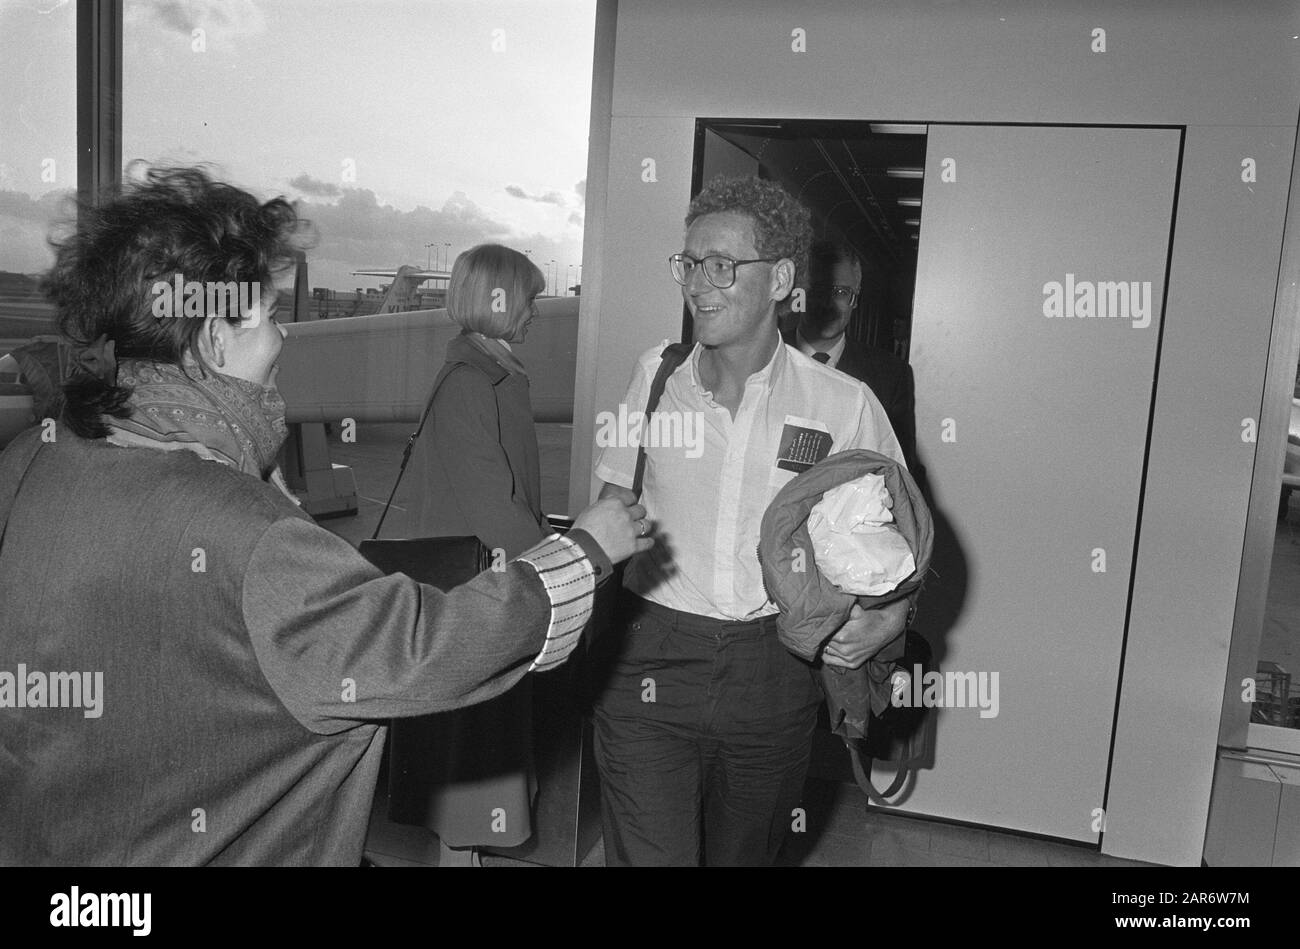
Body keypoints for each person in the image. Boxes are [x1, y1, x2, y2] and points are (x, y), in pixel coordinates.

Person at [0, 166, 651, 866]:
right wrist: (582, 553)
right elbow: (425, 649)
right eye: (271, 316)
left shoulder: (31, 464)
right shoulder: (248, 532)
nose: (283, 339)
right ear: (214, 338)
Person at [590, 175, 912, 866]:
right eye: (690, 263)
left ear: (781, 280)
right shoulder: (654, 379)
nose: (699, 284)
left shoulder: (842, 405)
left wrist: (889, 619)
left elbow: (902, 543)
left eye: (723, 266)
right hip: (649, 657)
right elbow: (612, 507)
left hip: (775, 672)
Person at [390, 244, 549, 865]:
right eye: (529, 297)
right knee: (471, 756)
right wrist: (563, 566)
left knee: (478, 753)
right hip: (476, 597)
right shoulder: (471, 382)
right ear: (500, 300)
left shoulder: (487, 373)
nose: (537, 310)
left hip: (484, 586)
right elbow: (494, 504)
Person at [784, 239, 925, 486]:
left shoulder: (890, 377)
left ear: (855, 300)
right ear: (798, 294)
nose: (827, 304)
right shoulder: (764, 358)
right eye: (817, 290)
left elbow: (898, 473)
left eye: (841, 293)